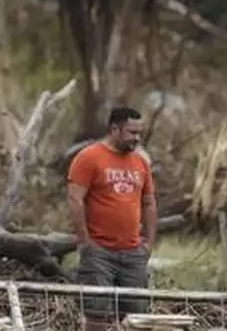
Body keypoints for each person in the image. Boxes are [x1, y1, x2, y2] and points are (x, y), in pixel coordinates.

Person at [67, 106, 158, 330]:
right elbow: (75, 199)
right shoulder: (89, 157)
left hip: (133, 251)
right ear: (114, 129)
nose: (137, 138)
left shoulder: (140, 163)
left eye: (139, 133)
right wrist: (84, 241)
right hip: (99, 252)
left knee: (138, 318)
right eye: (131, 133)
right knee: (97, 315)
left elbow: (149, 203)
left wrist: (149, 243)